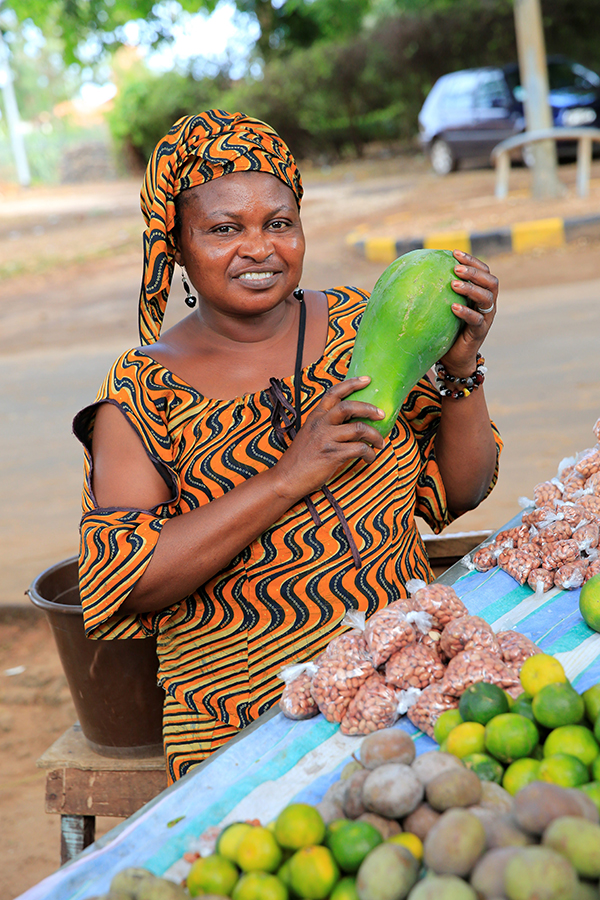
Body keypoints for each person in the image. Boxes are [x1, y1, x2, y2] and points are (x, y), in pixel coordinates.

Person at [73, 110, 502, 782]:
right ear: (175, 245)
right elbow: (128, 581)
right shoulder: (141, 391)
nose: (259, 248)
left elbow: (463, 488)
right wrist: (288, 474)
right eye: (223, 228)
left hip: (405, 673)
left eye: (279, 222)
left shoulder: (366, 324)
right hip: (246, 726)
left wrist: (461, 369)